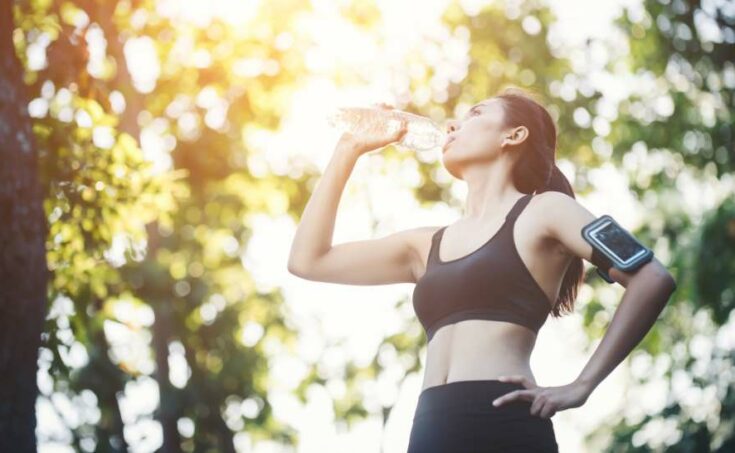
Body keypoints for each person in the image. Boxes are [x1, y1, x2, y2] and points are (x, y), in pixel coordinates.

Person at [287, 87, 677, 452]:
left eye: (474, 114)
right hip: (429, 426)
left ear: (514, 135)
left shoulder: (547, 211)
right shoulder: (425, 245)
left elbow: (651, 277)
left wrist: (581, 385)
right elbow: (309, 261)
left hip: (503, 420)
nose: (453, 124)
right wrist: (349, 148)